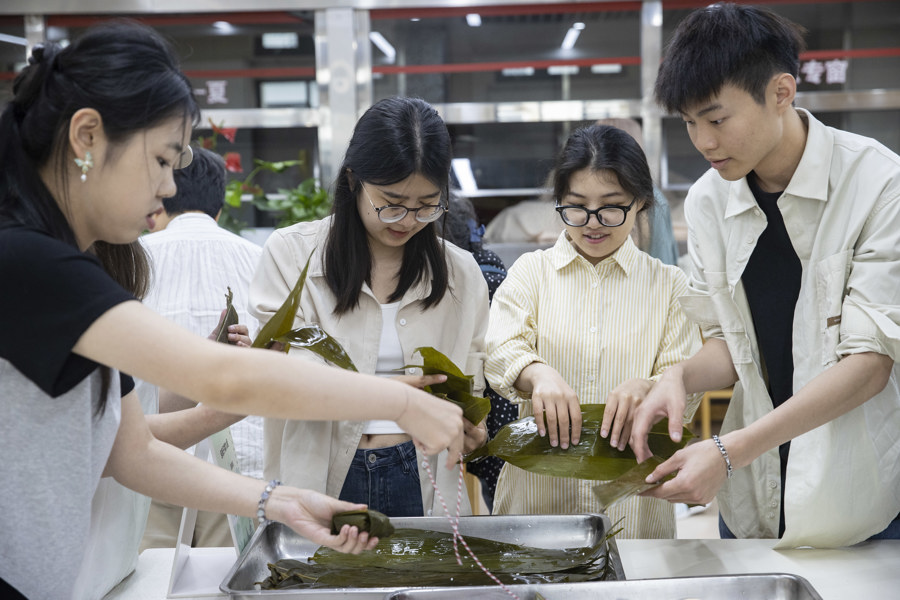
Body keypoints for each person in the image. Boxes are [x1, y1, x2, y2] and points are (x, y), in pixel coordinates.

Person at [0, 23, 463, 600]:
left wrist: (278, 501)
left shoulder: (63, 265)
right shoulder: (26, 260)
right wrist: (401, 401)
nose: (169, 188)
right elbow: (222, 376)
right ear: (87, 135)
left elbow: (133, 452)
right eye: (162, 160)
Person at [626, 3, 900, 549]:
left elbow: (869, 364)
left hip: (858, 496)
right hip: (751, 492)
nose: (703, 142)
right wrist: (677, 377)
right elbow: (730, 343)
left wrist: (730, 451)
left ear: (781, 92)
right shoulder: (708, 200)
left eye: (716, 119)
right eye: (689, 123)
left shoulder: (877, 184)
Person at [249, 96, 489, 518]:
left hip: (420, 471)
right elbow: (286, 379)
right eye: (391, 203)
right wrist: (393, 400)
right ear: (352, 180)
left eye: (426, 205)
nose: (407, 220)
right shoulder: (292, 256)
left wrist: (472, 429)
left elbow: (470, 380)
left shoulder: (461, 273)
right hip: (322, 472)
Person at [484, 124, 701, 538]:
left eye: (611, 207)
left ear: (641, 202)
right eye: (577, 207)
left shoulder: (670, 285)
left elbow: (687, 386)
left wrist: (651, 387)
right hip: (536, 507)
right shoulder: (532, 272)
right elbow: (500, 349)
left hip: (633, 514)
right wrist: (537, 373)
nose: (592, 223)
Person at [138, 146, 265, 551]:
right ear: (220, 207)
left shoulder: (132, 259)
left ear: (161, 197)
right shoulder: (260, 259)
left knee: (151, 577)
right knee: (227, 578)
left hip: (148, 458)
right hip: (236, 463)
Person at [438, 193, 518, 511]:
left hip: (489, 422)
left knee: (501, 501)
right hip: (511, 419)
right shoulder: (500, 274)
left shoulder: (465, 285)